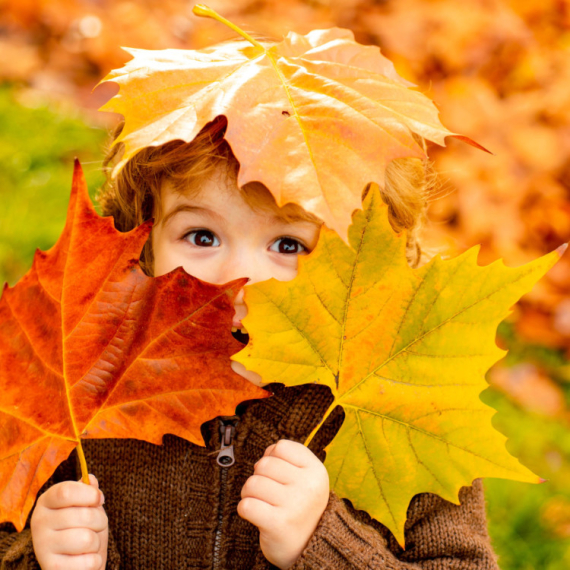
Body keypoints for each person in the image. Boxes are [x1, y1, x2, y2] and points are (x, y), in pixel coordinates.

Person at [0, 43, 500, 570]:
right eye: (200, 235)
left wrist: (322, 542)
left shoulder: (402, 407)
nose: (239, 280)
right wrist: (40, 558)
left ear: (362, 267)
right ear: (139, 241)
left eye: (288, 245)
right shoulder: (79, 393)